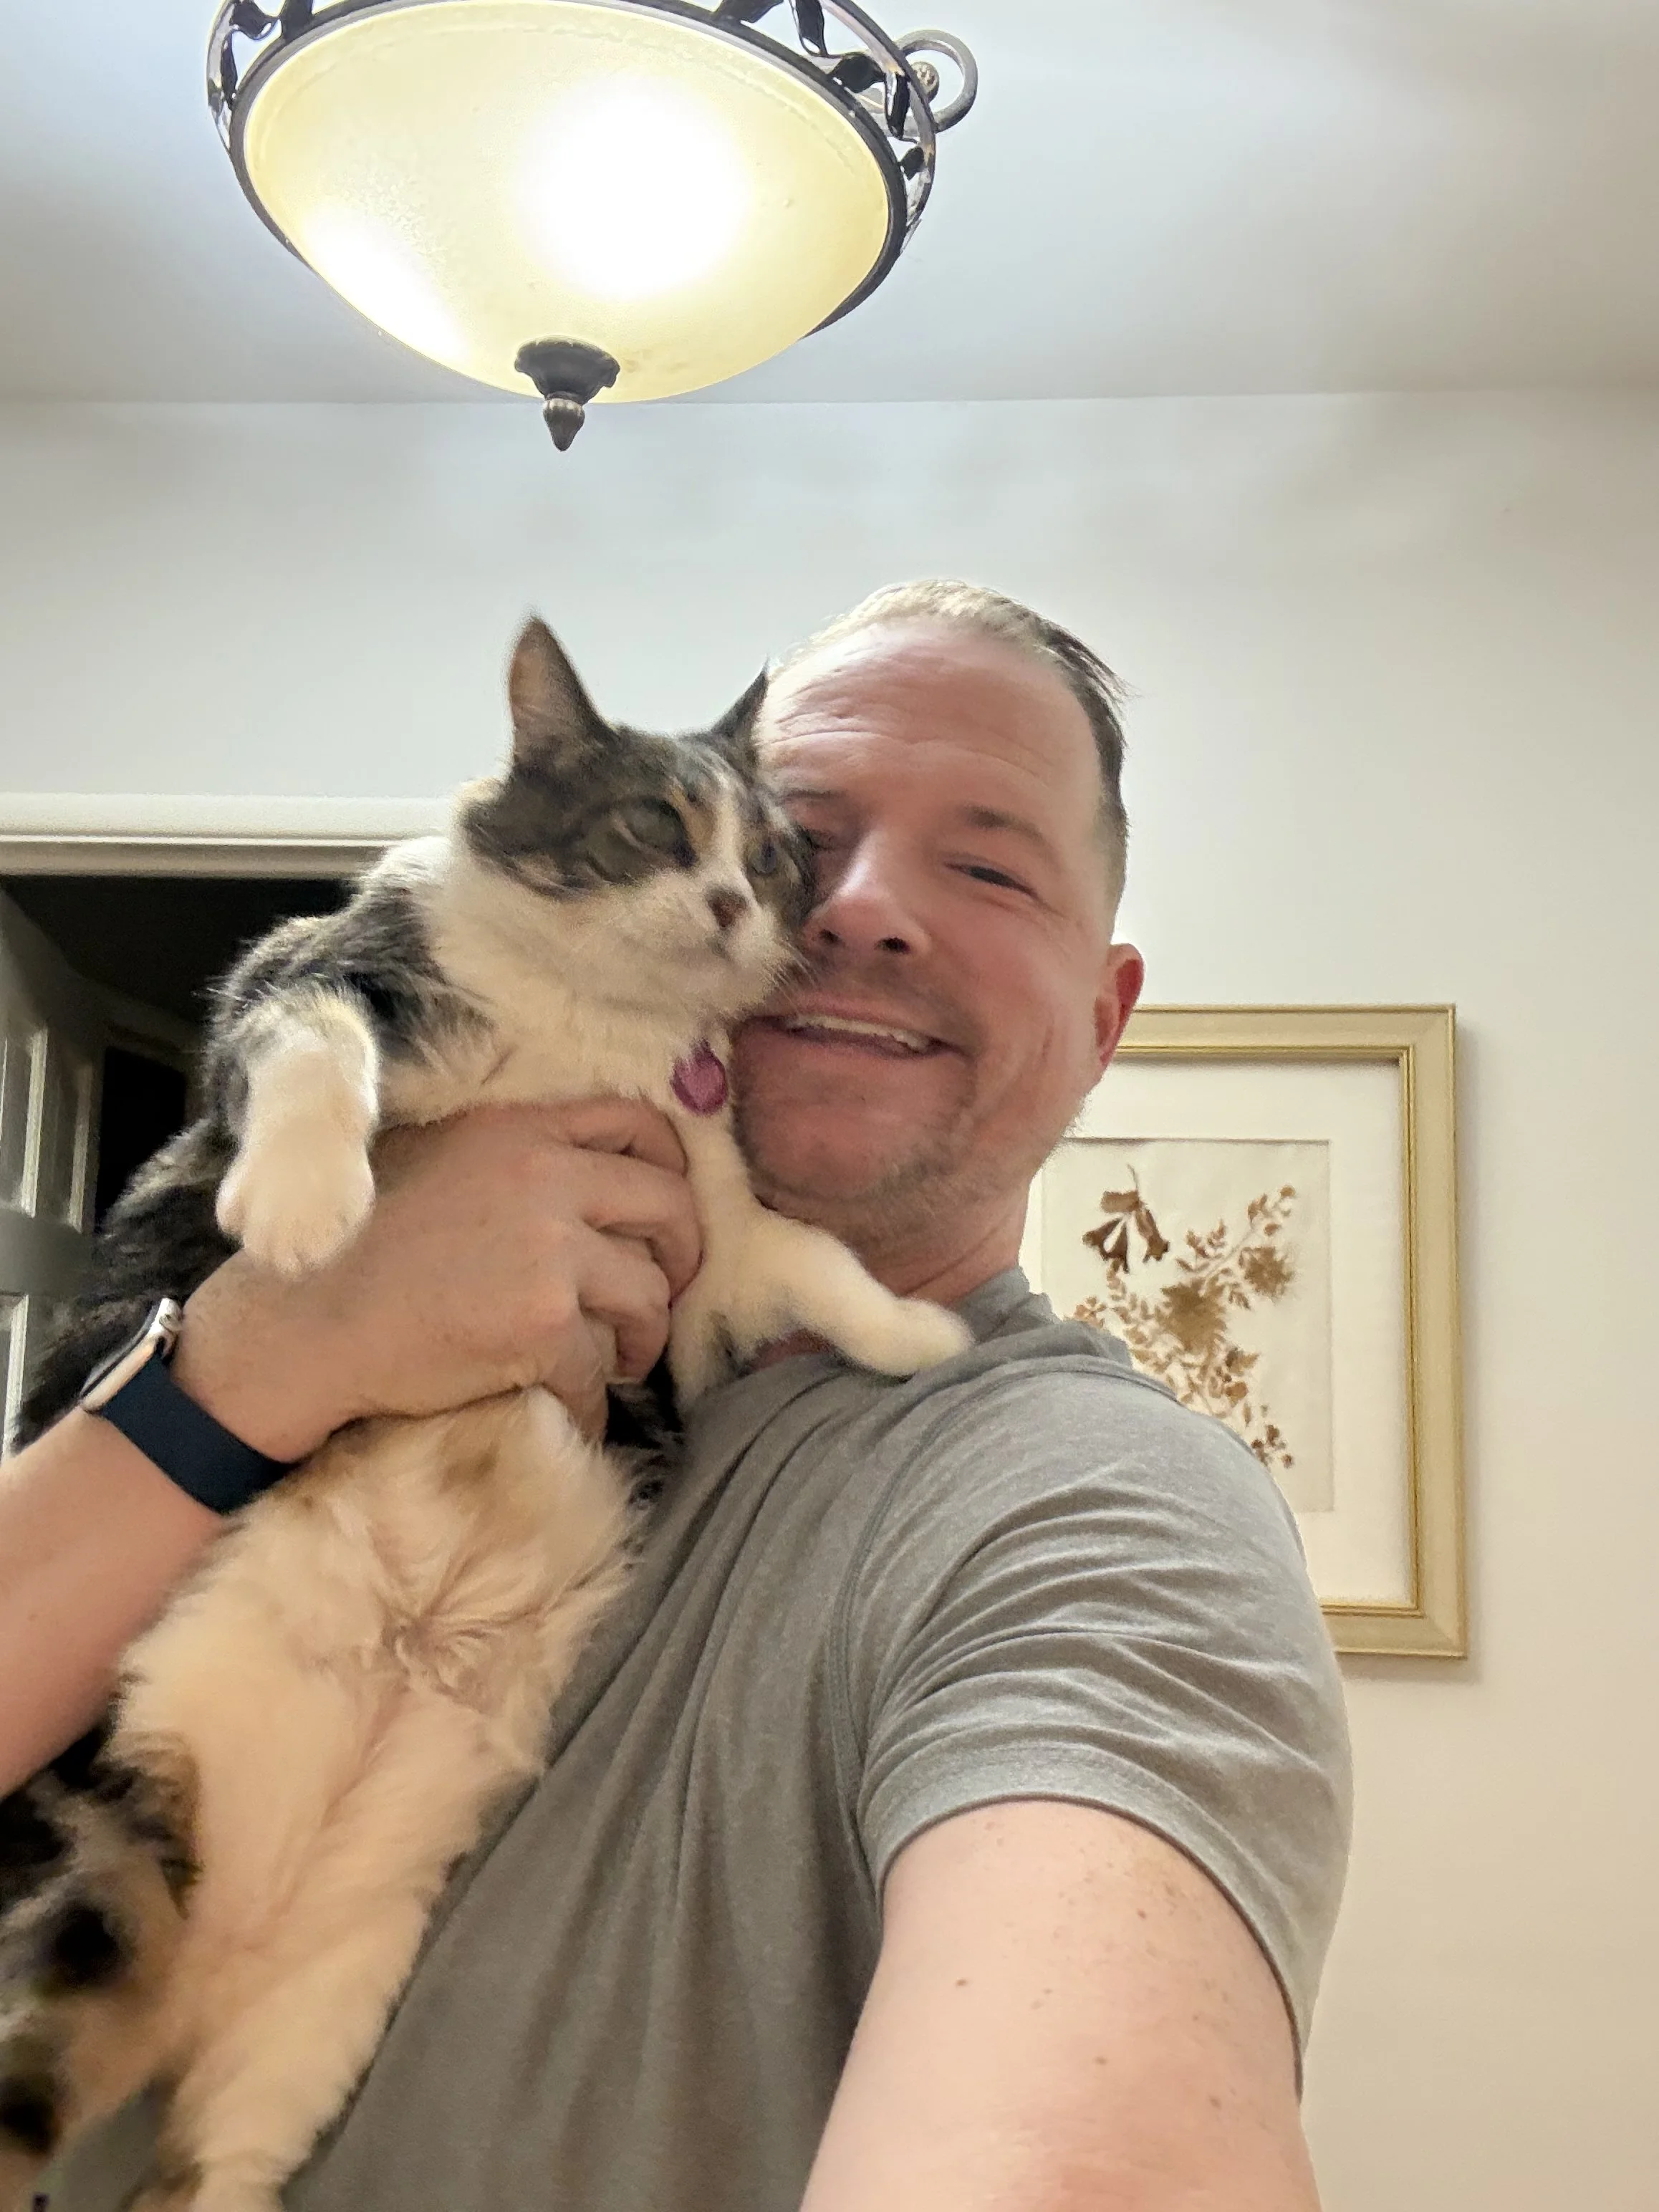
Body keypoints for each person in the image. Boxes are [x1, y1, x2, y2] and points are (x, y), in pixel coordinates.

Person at [1, 582, 1350, 2212]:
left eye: (987, 864)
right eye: (805, 835)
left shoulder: (1093, 1511)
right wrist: (276, 1356)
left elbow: (1080, 2149)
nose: (854, 910)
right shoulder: (315, 1286)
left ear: (1104, 1018)